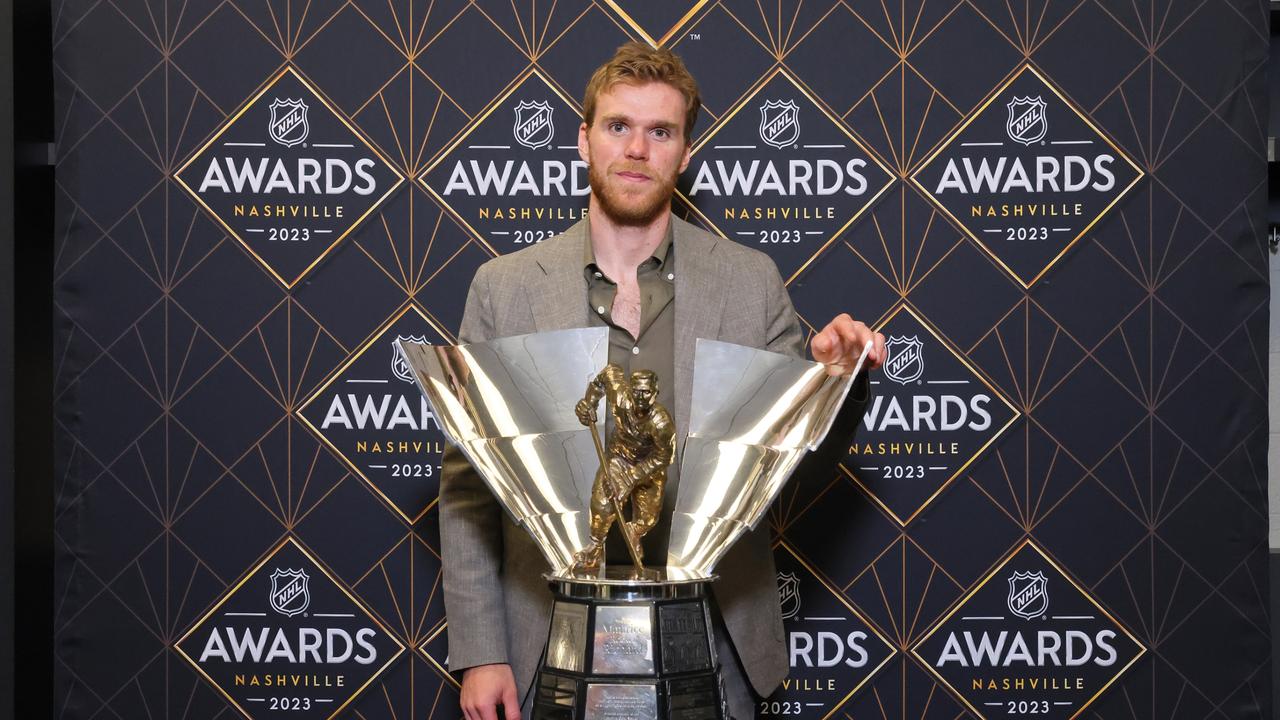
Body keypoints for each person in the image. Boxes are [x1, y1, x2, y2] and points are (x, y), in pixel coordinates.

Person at [440, 42, 887, 720]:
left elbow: (797, 466)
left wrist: (835, 383)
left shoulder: (750, 282)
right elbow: (470, 483)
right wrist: (481, 652)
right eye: (619, 126)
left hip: (714, 637)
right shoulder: (503, 290)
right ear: (584, 141)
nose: (637, 148)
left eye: (661, 131)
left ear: (686, 153)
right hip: (549, 636)